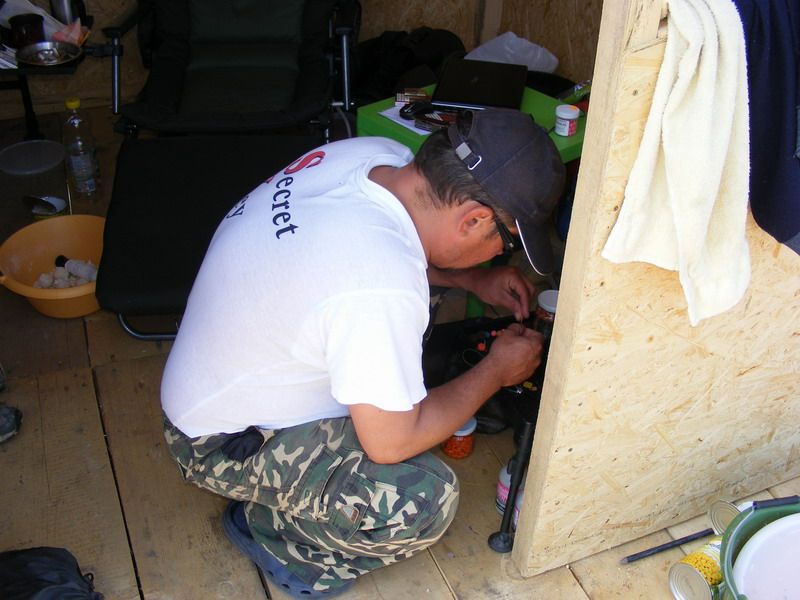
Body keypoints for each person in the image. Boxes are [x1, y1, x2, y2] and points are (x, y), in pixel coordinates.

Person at [160, 108, 565, 597]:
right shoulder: (379, 288)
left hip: (214, 377)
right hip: (217, 440)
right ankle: (272, 533)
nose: (501, 254)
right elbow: (390, 444)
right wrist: (496, 370)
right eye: (505, 242)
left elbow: (370, 258)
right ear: (474, 219)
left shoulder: (374, 158)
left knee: (413, 333)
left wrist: (470, 278)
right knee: (420, 501)